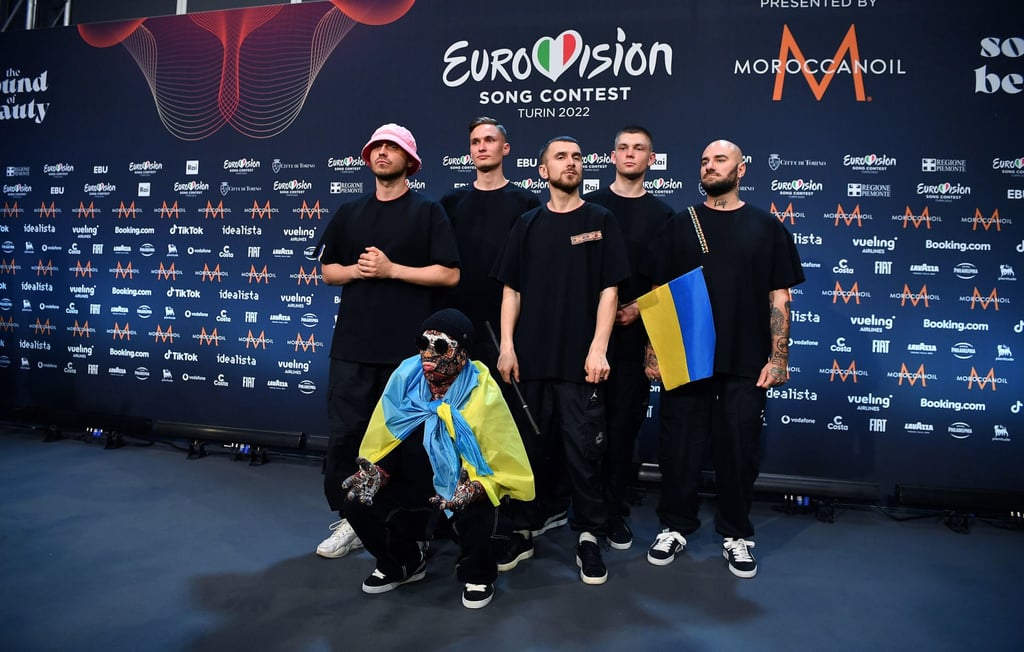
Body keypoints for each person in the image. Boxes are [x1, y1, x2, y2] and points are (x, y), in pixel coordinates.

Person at [641, 139, 804, 578]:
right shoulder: (680, 225)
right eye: (705, 161)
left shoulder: (767, 227)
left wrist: (779, 355)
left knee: (739, 449)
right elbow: (660, 293)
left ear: (741, 169)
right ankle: (675, 525)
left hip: (746, 358)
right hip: (687, 357)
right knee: (679, 447)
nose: (710, 166)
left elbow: (780, 297)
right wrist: (653, 350)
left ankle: (736, 533)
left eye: (720, 160)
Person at [314, 123, 461, 560]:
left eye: (392, 147)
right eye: (375, 146)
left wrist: (392, 270)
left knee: (408, 442)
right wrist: (360, 272)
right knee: (346, 438)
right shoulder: (349, 213)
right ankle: (351, 519)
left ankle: (408, 524)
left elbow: (449, 274)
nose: (382, 152)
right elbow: (327, 272)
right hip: (353, 349)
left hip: (409, 355)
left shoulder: (428, 212)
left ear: (409, 161)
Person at [494, 136, 630, 585]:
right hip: (529, 362)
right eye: (560, 157)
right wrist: (507, 346)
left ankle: (589, 536)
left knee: (584, 453)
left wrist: (598, 348)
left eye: (576, 157)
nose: (570, 163)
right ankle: (523, 529)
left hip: (580, 365)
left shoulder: (601, 219)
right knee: (528, 453)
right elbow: (510, 289)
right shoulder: (526, 224)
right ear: (542, 170)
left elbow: (610, 290)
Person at [341, 308, 534, 609]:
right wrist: (381, 471)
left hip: (461, 487)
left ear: (462, 353)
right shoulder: (405, 379)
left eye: (441, 346)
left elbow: (498, 463)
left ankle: (477, 574)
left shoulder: (481, 390)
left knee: (479, 500)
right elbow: (391, 437)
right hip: (414, 486)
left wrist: (475, 488)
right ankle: (403, 564)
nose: (428, 354)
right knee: (357, 500)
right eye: (423, 343)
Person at [438, 118, 557, 570]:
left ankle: (517, 522)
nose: (482, 147)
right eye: (475, 141)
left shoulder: (527, 204)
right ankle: (462, 515)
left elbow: (534, 275)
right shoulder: (449, 203)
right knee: (457, 428)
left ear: (506, 148)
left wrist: (514, 338)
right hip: (458, 337)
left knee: (511, 431)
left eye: (490, 140)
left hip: (510, 337)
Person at [583, 126, 674, 551]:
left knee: (621, 432)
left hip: (636, 339)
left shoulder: (666, 217)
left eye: (639, 149)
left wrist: (639, 309)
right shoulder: (590, 207)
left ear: (651, 159)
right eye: (623, 148)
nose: (631, 154)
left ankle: (614, 513)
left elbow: (670, 283)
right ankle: (577, 511)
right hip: (584, 339)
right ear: (612, 156)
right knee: (577, 429)